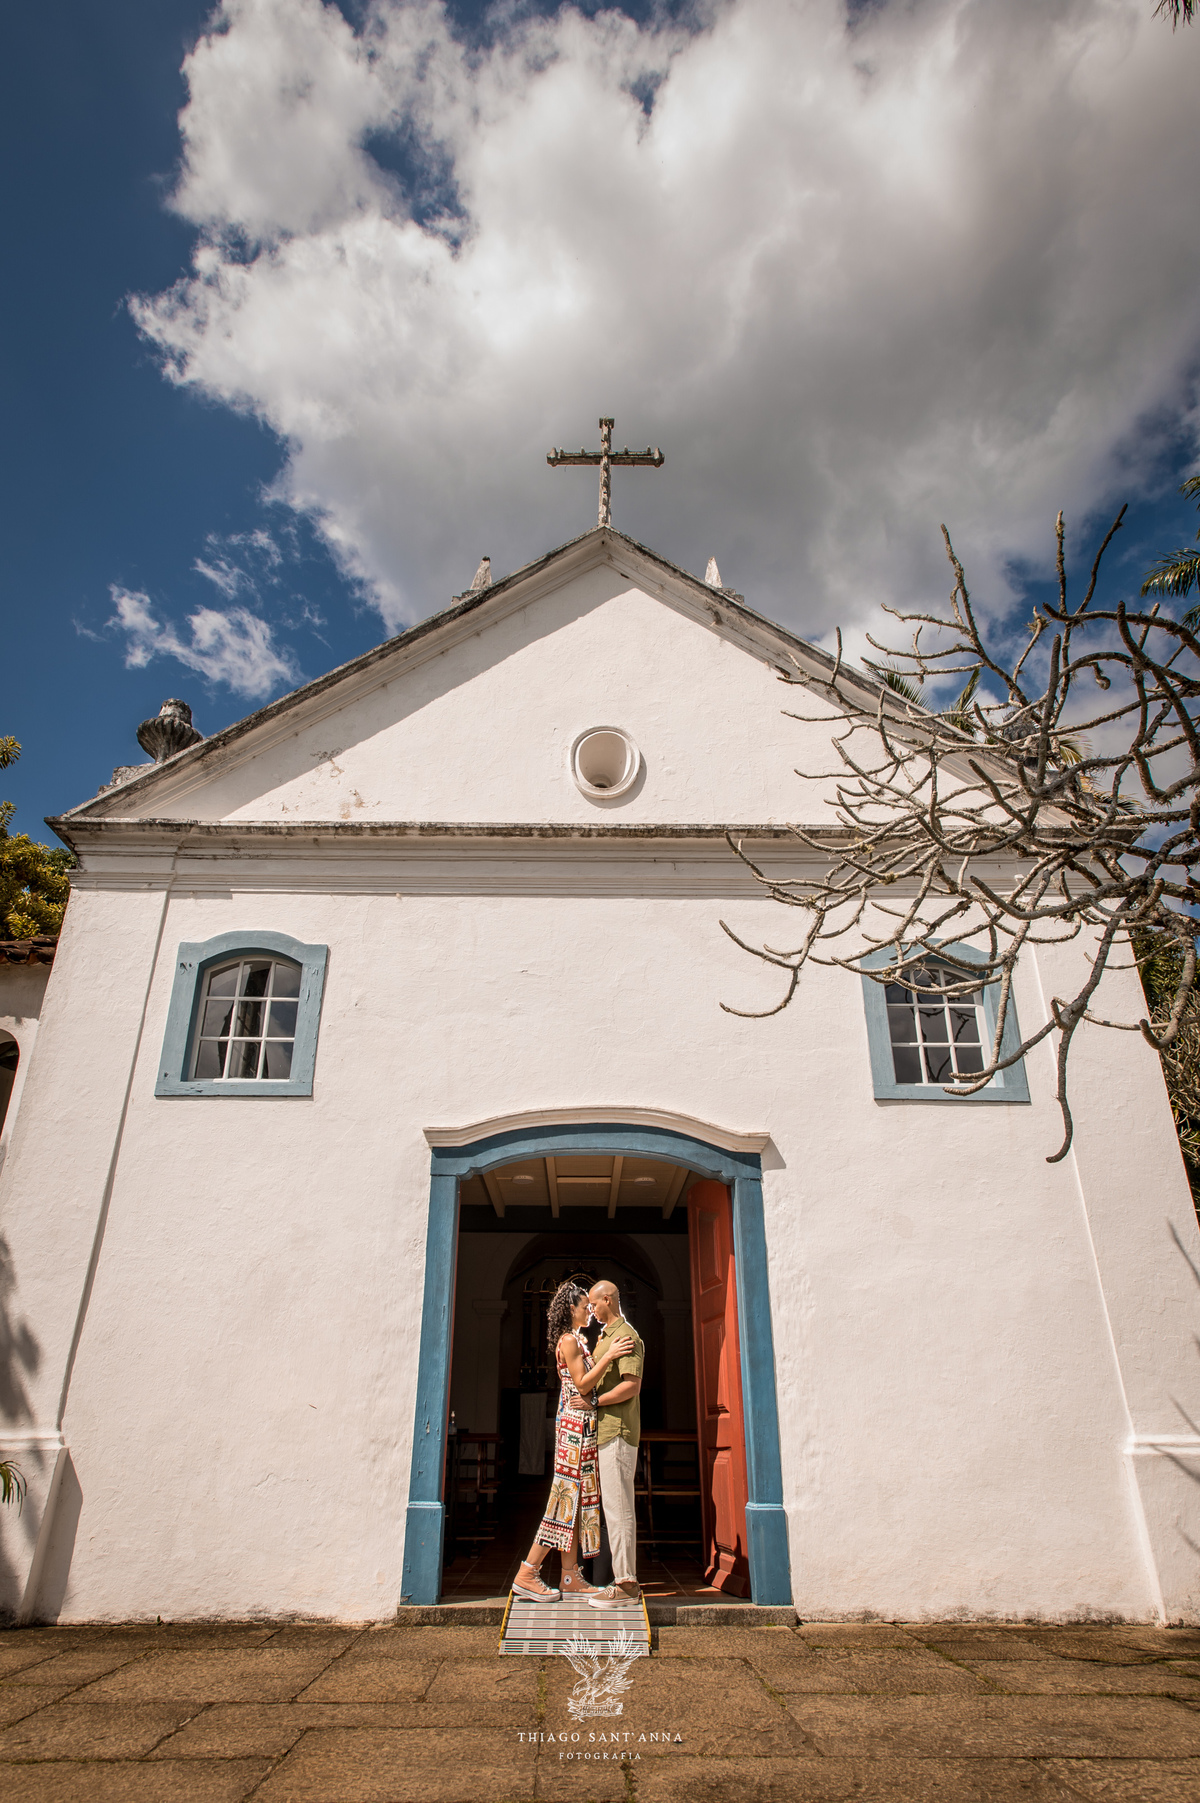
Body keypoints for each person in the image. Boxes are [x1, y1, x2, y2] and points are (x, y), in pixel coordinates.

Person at [513, 1282, 635, 1601]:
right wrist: (609, 1357)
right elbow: (581, 1385)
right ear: (571, 1309)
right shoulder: (569, 1340)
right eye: (584, 1307)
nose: (589, 1312)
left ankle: (570, 1576)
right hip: (573, 1427)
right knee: (564, 1498)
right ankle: (528, 1571)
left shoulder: (578, 1339)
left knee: (577, 1499)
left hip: (582, 1424)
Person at [585, 1280, 645, 1608]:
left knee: (619, 1507)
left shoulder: (626, 1336)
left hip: (618, 1432)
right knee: (613, 1507)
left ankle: (626, 1584)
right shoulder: (608, 1337)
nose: (592, 1310)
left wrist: (594, 1403)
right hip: (605, 1432)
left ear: (607, 1300)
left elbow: (631, 1387)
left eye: (595, 1304)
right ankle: (622, 1579)